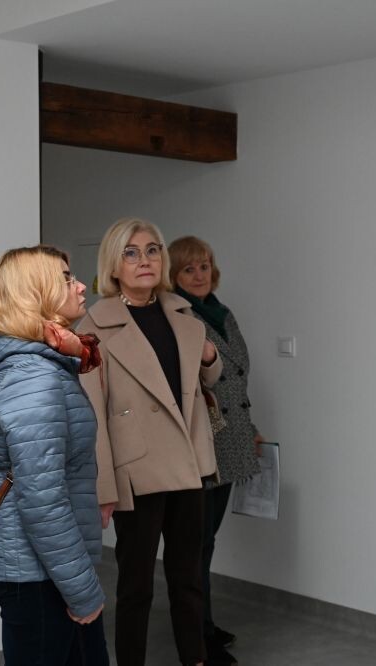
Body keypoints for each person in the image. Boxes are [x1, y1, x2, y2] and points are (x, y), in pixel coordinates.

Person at [76, 218, 221, 666]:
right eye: (132, 253)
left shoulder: (182, 312)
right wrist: (104, 488)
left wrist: (211, 357)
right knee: (136, 586)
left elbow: (201, 381)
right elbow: (92, 413)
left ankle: (195, 659)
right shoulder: (94, 326)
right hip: (137, 470)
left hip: (188, 463)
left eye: (153, 250)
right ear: (113, 265)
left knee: (189, 579)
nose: (145, 261)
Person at [0, 245, 109, 666]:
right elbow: (42, 499)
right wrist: (81, 591)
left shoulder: (41, 365)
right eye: (66, 279)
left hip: (46, 567)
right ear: (35, 294)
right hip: (38, 573)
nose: (80, 286)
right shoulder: (32, 376)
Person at [169, 236, 265, 666]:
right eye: (189, 269)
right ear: (174, 276)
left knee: (206, 542)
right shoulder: (178, 317)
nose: (199, 275)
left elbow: (236, 381)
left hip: (230, 441)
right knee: (194, 547)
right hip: (198, 447)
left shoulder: (222, 314)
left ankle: (204, 625)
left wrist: (251, 429)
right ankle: (198, 638)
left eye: (204, 266)